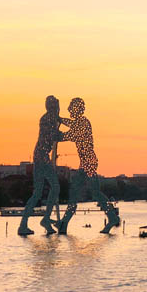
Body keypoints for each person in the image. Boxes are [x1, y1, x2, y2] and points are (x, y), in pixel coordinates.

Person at [55, 97, 119, 234]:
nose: (69, 110)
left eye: (71, 107)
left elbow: (70, 135)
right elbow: (71, 125)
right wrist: (60, 120)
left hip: (88, 162)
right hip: (87, 162)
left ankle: (64, 224)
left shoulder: (83, 123)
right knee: (93, 192)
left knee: (76, 193)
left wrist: (57, 134)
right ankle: (112, 218)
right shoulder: (80, 122)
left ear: (77, 109)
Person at [18, 95, 63, 236]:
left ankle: (26, 224)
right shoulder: (47, 119)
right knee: (54, 188)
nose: (57, 109)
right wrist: (74, 135)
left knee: (39, 192)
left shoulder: (52, 118)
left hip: (42, 157)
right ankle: (44, 220)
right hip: (42, 158)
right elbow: (55, 136)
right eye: (56, 106)